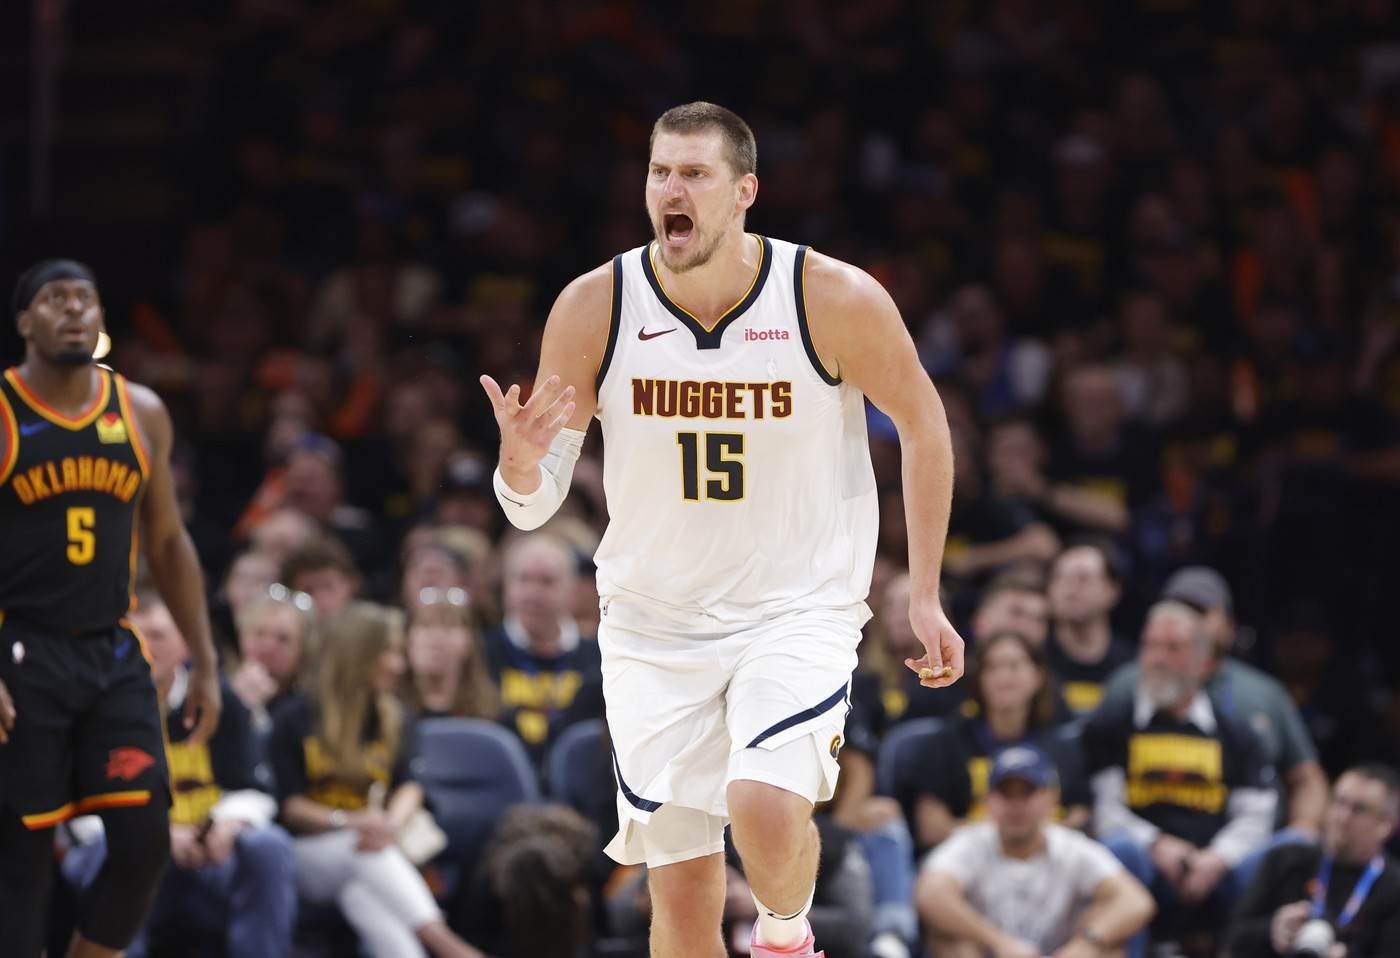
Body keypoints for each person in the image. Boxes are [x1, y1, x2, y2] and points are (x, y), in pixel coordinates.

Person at [481, 102, 965, 958]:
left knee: (765, 806)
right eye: (660, 172)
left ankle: (785, 936)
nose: (672, 189)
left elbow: (925, 426)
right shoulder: (595, 306)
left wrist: (923, 591)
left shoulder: (829, 297)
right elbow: (532, 506)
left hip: (794, 608)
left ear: (744, 191)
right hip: (652, 622)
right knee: (681, 893)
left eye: (695, 174)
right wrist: (519, 465)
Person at [0, 259, 222, 958]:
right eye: (55, 299)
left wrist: (206, 661)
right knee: (22, 864)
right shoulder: (4, 411)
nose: (74, 310)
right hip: (22, 651)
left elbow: (167, 542)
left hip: (110, 650)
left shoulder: (140, 410)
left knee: (143, 844)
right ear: (24, 321)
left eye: (85, 298)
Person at [64, 592, 296, 957]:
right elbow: (80, 812)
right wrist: (156, 836)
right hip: (126, 856)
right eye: (136, 634)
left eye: (158, 635)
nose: (146, 645)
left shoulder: (217, 701)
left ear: (186, 645)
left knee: (269, 845)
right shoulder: (93, 704)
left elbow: (255, 790)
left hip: (207, 855)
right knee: (115, 852)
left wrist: (225, 825)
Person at [269, 602, 482, 958]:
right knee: (361, 850)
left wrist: (389, 824)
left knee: (365, 897)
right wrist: (350, 821)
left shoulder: (395, 717)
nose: (399, 665)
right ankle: (448, 946)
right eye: (390, 653)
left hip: (372, 848)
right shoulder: (295, 716)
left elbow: (409, 785)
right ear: (359, 655)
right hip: (304, 856)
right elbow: (290, 807)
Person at [1086, 602, 1277, 934]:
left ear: (1205, 663)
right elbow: (1105, 812)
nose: (1157, 658)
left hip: (1216, 868)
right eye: (1150, 646)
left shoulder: (1236, 733)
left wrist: (1217, 858)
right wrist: (1155, 844)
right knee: (1120, 851)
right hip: (1143, 865)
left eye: (1173, 648)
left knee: (1273, 856)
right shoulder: (1113, 724)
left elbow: (1256, 815)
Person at [1099, 567, 1329, 840]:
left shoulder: (1264, 694)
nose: (1187, 618)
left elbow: (1306, 777)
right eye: (1176, 607)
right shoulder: (1126, 685)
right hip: (1140, 839)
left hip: (1247, 840)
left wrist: (1302, 830)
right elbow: (1093, 770)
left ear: (1229, 627)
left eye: (1201, 611)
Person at [917, 746, 1155, 958]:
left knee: (1107, 942)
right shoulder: (970, 842)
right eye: (1006, 793)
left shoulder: (1070, 846)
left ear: (1051, 798)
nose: (1016, 805)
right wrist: (998, 942)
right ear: (987, 801)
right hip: (989, 952)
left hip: (1057, 952)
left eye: (1027, 793)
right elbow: (930, 893)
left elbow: (1135, 901)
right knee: (947, 938)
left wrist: (1086, 943)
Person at [907, 631, 1088, 852]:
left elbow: (1081, 814)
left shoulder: (1062, 744)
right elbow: (931, 827)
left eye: (1014, 666)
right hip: (970, 857)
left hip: (1050, 856)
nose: (1003, 677)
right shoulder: (948, 741)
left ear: (1038, 676)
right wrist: (1006, 839)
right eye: (991, 668)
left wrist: (1034, 841)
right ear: (979, 679)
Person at [1227, 764, 1400, 958]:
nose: (1342, 817)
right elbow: (1232, 938)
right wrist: (1272, 929)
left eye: (1359, 810)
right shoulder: (1287, 860)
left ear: (1386, 825)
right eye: (1338, 802)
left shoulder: (1393, 888)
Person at [483, 533, 601, 758]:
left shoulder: (599, 658)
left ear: (572, 590)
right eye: (523, 579)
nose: (533, 594)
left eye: (547, 581)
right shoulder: (480, 655)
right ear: (506, 587)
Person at [1045, 538, 1136, 716]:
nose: (1070, 589)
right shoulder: (1033, 661)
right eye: (1060, 578)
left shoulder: (1132, 665)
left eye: (1083, 578)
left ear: (1113, 590)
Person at [229, 584, 316, 733]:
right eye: (259, 633)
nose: (267, 647)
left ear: (304, 649)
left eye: (283, 639)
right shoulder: (218, 691)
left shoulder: (311, 707)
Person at [403, 587, 499, 720]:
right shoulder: (384, 713)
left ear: (470, 641)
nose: (437, 637)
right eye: (426, 625)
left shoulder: (495, 715)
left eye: (449, 626)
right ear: (407, 639)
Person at [281, 533, 361, 618]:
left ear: (351, 584)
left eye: (328, 587)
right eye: (308, 590)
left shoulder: (369, 622)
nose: (321, 598)